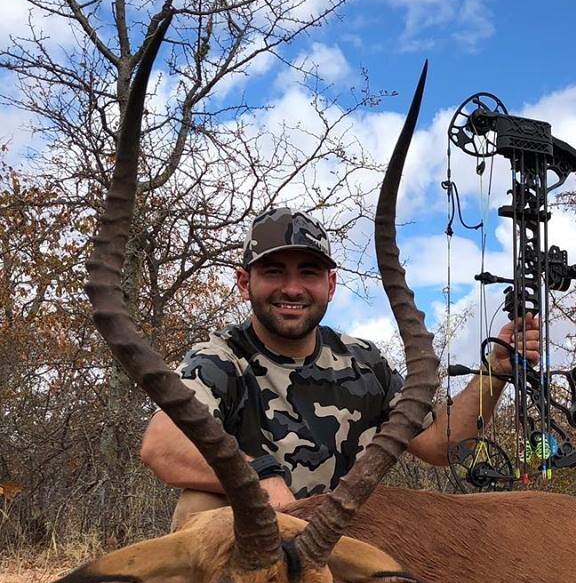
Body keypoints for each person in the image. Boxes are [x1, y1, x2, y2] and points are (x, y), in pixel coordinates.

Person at [141, 208, 537, 525]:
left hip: (337, 537)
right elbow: (162, 445)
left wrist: (495, 370)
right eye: (274, 272)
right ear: (245, 283)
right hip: (261, 543)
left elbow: (439, 445)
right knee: (199, 507)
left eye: (308, 273)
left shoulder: (364, 362)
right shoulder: (220, 357)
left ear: (330, 285)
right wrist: (260, 478)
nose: (292, 288)